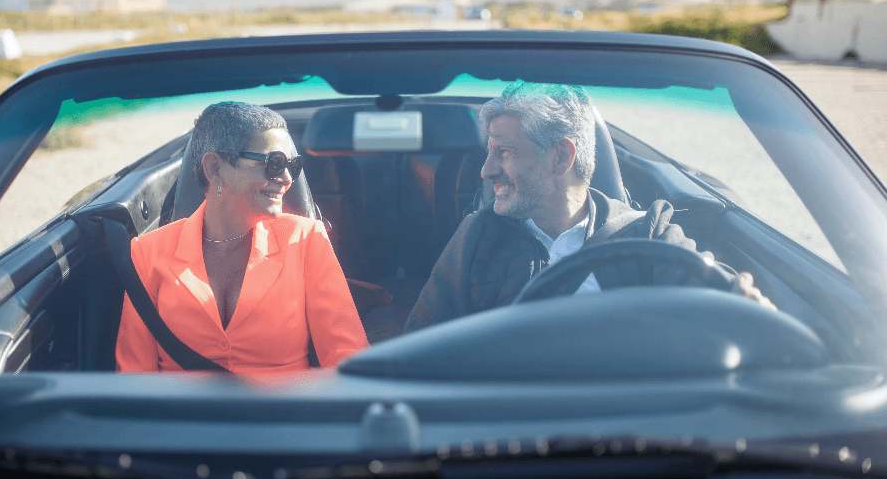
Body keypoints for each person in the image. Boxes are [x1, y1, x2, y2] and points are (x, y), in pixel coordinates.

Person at [405, 82, 772, 333]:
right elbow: (417, 352)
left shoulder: (648, 234)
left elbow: (727, 315)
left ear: (561, 157)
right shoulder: (477, 236)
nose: (486, 171)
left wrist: (741, 307)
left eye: (503, 152)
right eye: (490, 152)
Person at [117, 102, 368, 374]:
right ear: (215, 168)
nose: (287, 179)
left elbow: (347, 358)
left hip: (286, 403)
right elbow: (133, 376)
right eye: (274, 163)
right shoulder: (146, 253)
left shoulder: (306, 239)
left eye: (293, 166)